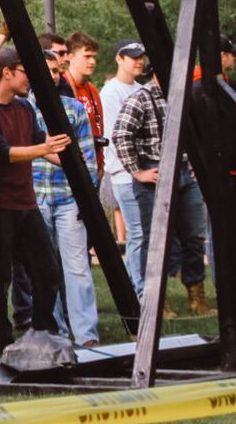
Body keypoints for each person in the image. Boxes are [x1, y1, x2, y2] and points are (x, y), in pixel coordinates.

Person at [0, 46, 71, 337]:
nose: (30, 79)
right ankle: (0, 337)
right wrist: (44, 148)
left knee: (48, 272)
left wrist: (67, 159)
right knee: (0, 276)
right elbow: (2, 153)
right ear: (7, 73)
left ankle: (43, 330)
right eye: (25, 73)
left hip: (26, 204)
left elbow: (39, 144)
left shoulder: (24, 108)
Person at [113, 69, 213, 316]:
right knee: (154, 242)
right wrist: (137, 172)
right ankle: (156, 302)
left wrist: (197, 165)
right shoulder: (141, 97)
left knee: (194, 236)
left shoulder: (183, 96)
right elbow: (121, 135)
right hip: (153, 174)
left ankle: (196, 296)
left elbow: (198, 133)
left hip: (184, 171)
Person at [26, 46, 101, 345]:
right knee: (43, 269)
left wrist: (87, 197)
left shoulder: (73, 108)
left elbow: (88, 159)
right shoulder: (23, 107)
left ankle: (86, 336)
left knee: (77, 268)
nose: (53, 76)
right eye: (47, 71)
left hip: (68, 196)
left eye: (57, 71)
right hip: (36, 196)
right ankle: (52, 331)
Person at [100, 41, 149, 286]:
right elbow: (114, 137)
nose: (139, 61)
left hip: (145, 171)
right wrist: (134, 170)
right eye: (133, 57)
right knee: (137, 233)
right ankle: (139, 291)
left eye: (141, 56)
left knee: (143, 234)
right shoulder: (110, 93)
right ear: (119, 59)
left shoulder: (143, 90)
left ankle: (133, 283)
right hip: (124, 173)